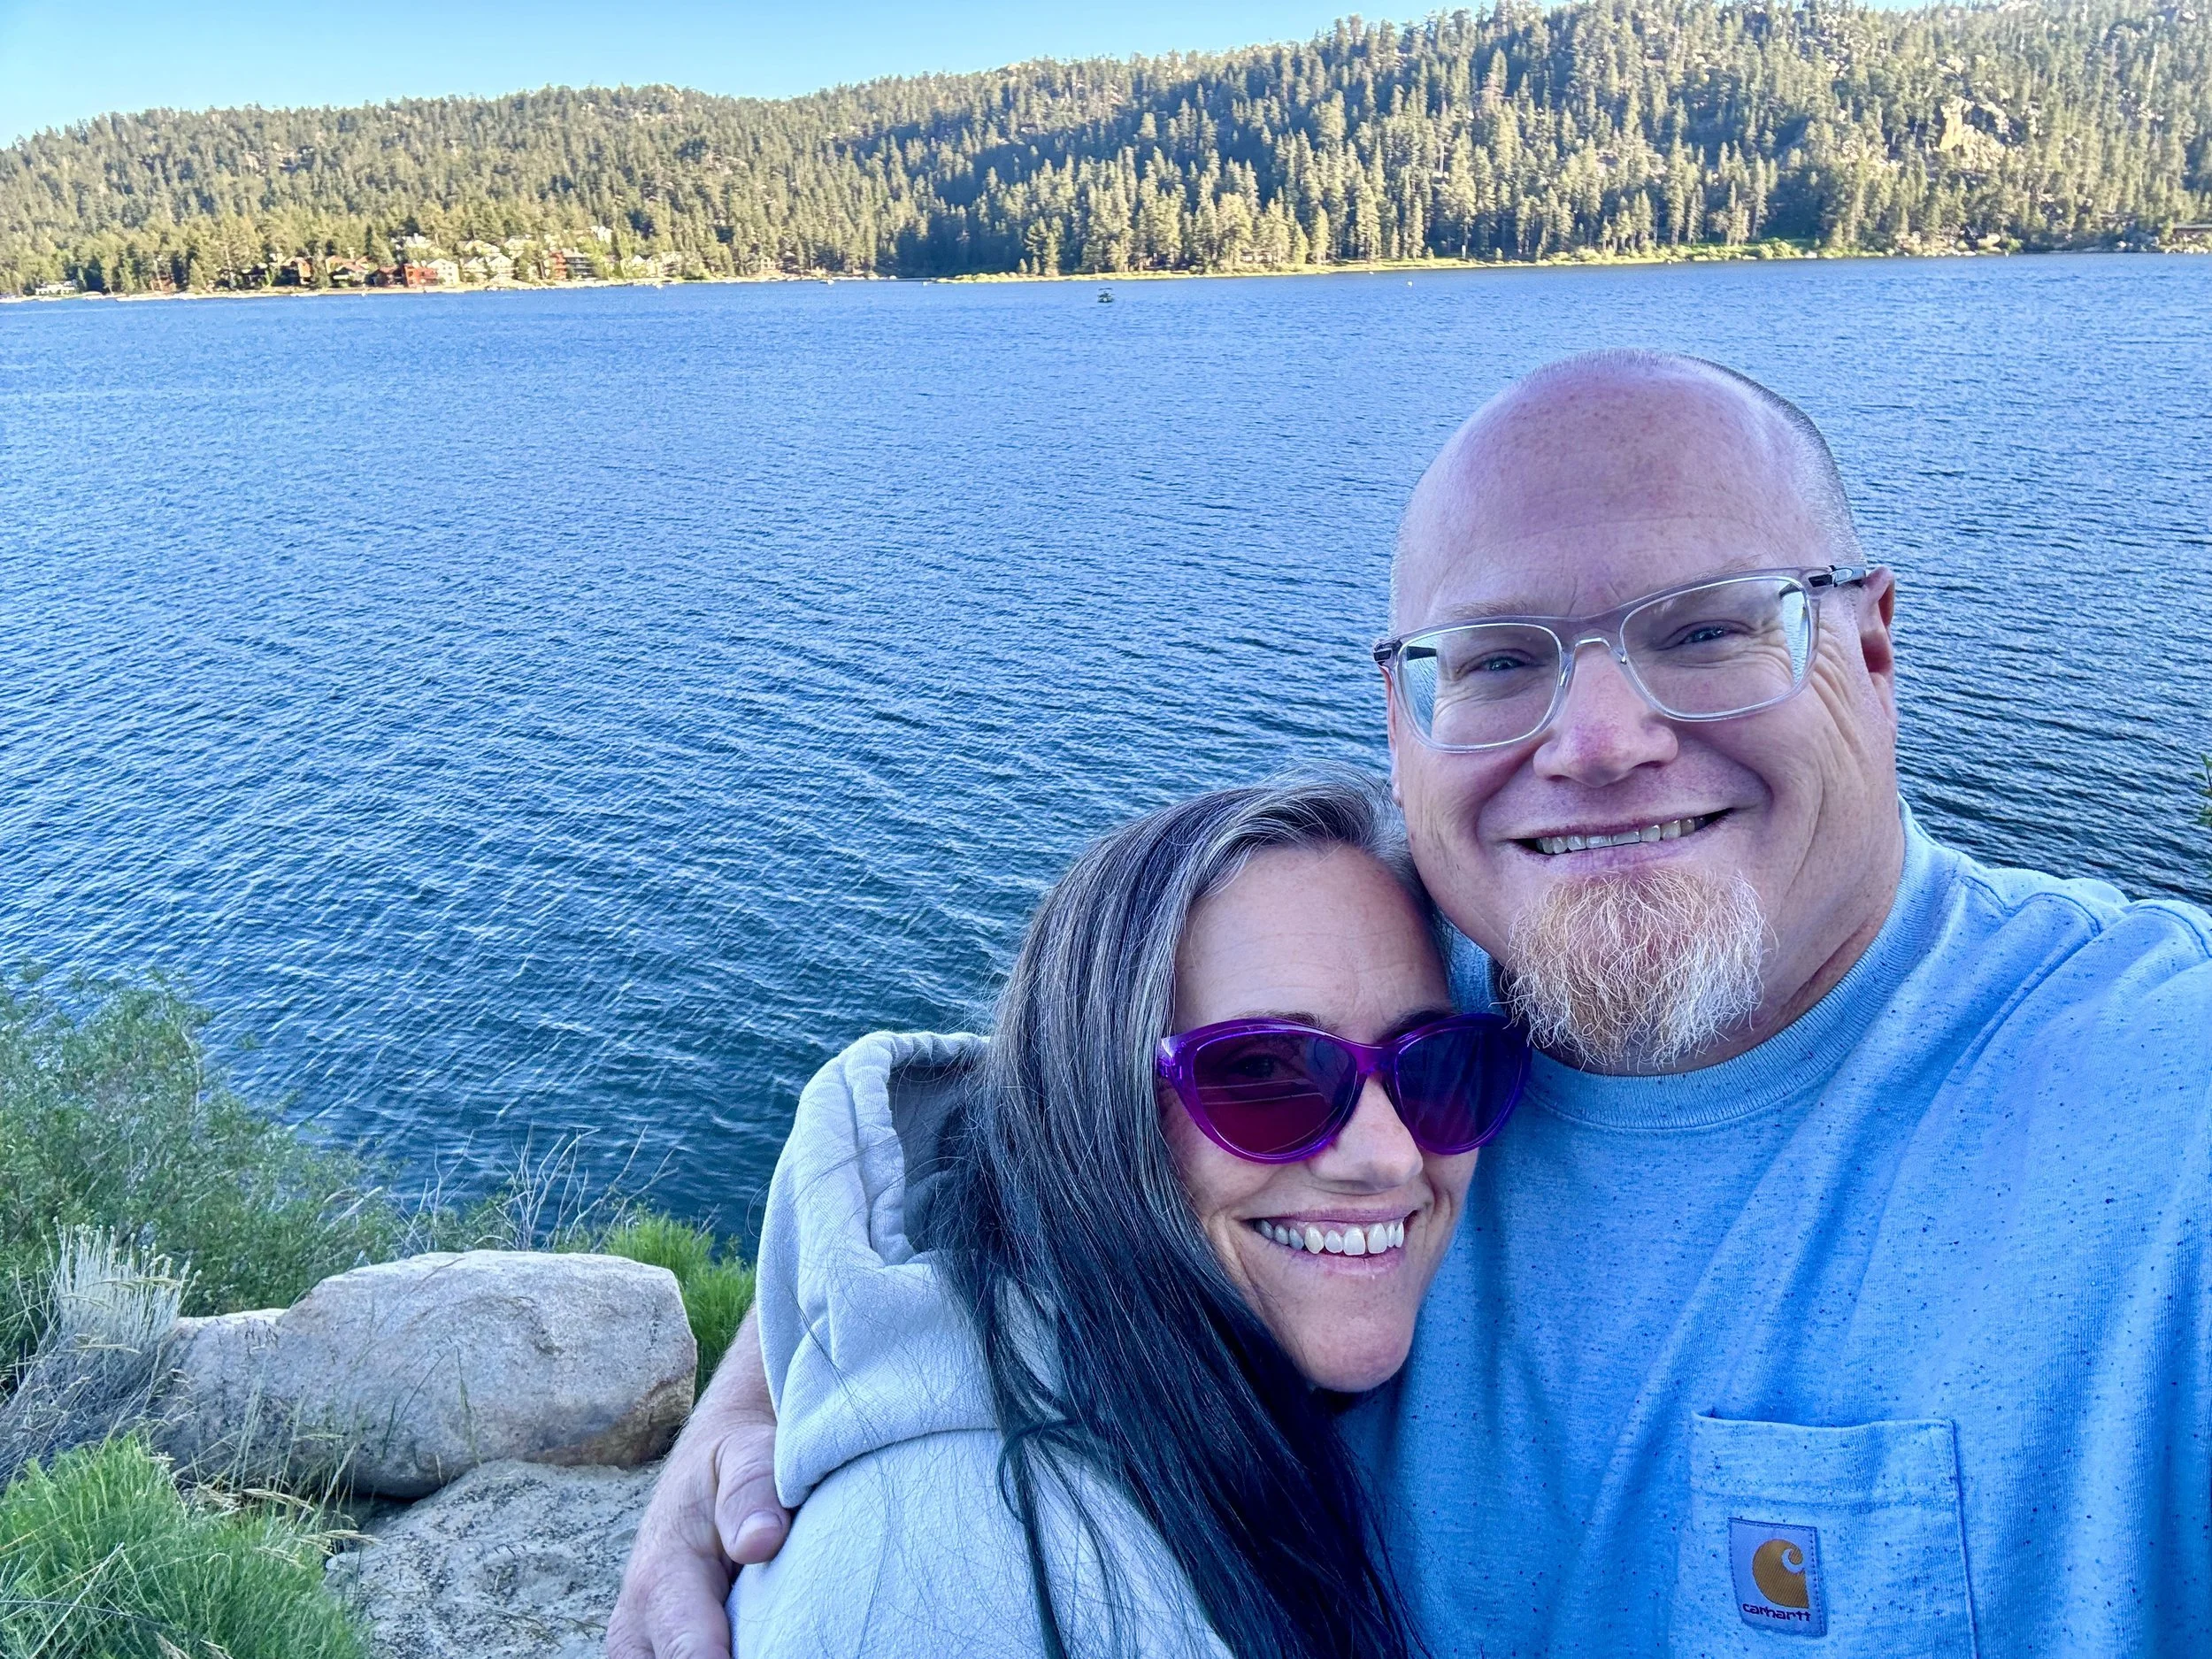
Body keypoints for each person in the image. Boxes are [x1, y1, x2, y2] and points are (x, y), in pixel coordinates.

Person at [610, 351, 2212, 1658]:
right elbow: (1034, 1110)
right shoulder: (1398, 1007)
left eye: (1711, 628)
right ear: (1402, 716)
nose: (1597, 739)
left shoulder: (2159, 1107)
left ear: (1870, 641)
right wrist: (786, 1403)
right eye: (1502, 662)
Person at [731, 776, 1525, 1656]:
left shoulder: (1193, 1386)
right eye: (1261, 1074)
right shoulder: (950, 1575)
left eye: (1436, 1063)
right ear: (1088, 1108)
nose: (1389, 1154)